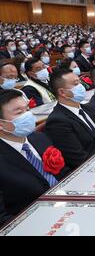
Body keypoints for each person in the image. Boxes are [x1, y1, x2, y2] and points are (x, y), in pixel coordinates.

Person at [0, 90, 68, 226]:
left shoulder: (40, 138)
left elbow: (65, 172)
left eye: (27, 109)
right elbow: (3, 218)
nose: (28, 115)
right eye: (19, 113)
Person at [45, 69, 95, 170]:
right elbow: (79, 159)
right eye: (76, 84)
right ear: (62, 92)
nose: (81, 86)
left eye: (79, 82)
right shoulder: (57, 121)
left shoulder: (88, 108)